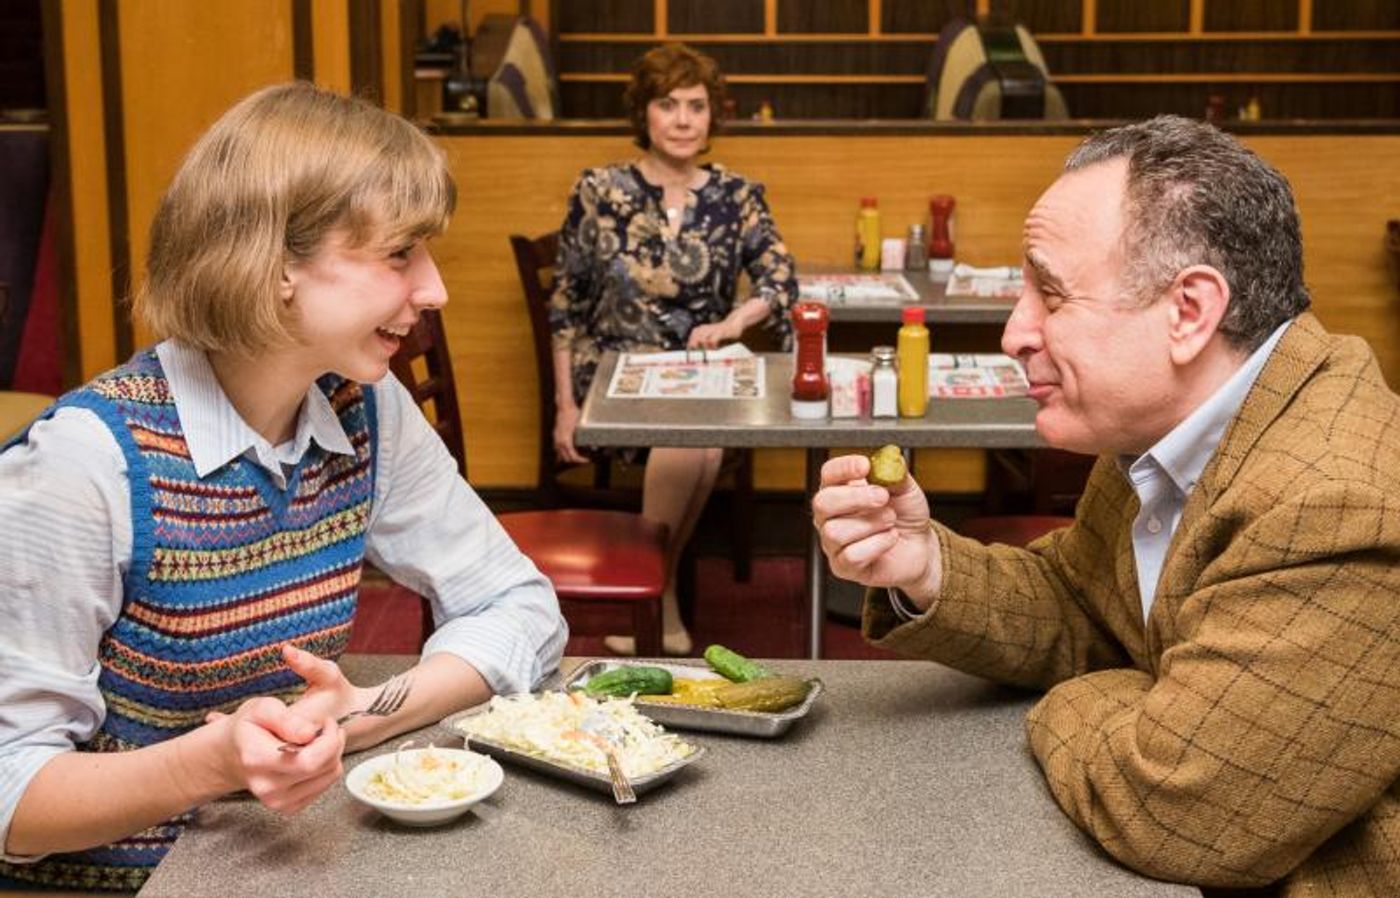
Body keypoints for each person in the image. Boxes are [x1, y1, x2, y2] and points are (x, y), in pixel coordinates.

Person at [0, 83, 567, 891]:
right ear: (276, 268)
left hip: (285, 863)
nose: (435, 288)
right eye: (401, 253)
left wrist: (363, 712)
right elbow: (12, 793)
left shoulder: (365, 407)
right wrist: (204, 763)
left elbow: (519, 607)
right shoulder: (81, 466)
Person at [813, 116, 1400, 895]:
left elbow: (1180, 812)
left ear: (1189, 311)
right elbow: (1083, 606)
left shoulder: (1337, 502)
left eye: (1050, 293)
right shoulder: (1174, 427)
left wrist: (1102, 696)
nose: (1016, 331)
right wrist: (924, 567)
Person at [549, 43, 797, 657]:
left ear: (714, 116)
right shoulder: (600, 189)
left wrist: (735, 322)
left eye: (696, 105)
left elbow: (781, 280)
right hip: (612, 369)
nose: (684, 119)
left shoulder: (737, 195)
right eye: (668, 105)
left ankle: (652, 590)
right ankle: (658, 598)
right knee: (695, 438)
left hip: (694, 372)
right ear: (645, 114)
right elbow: (566, 303)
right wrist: (563, 406)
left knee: (701, 435)